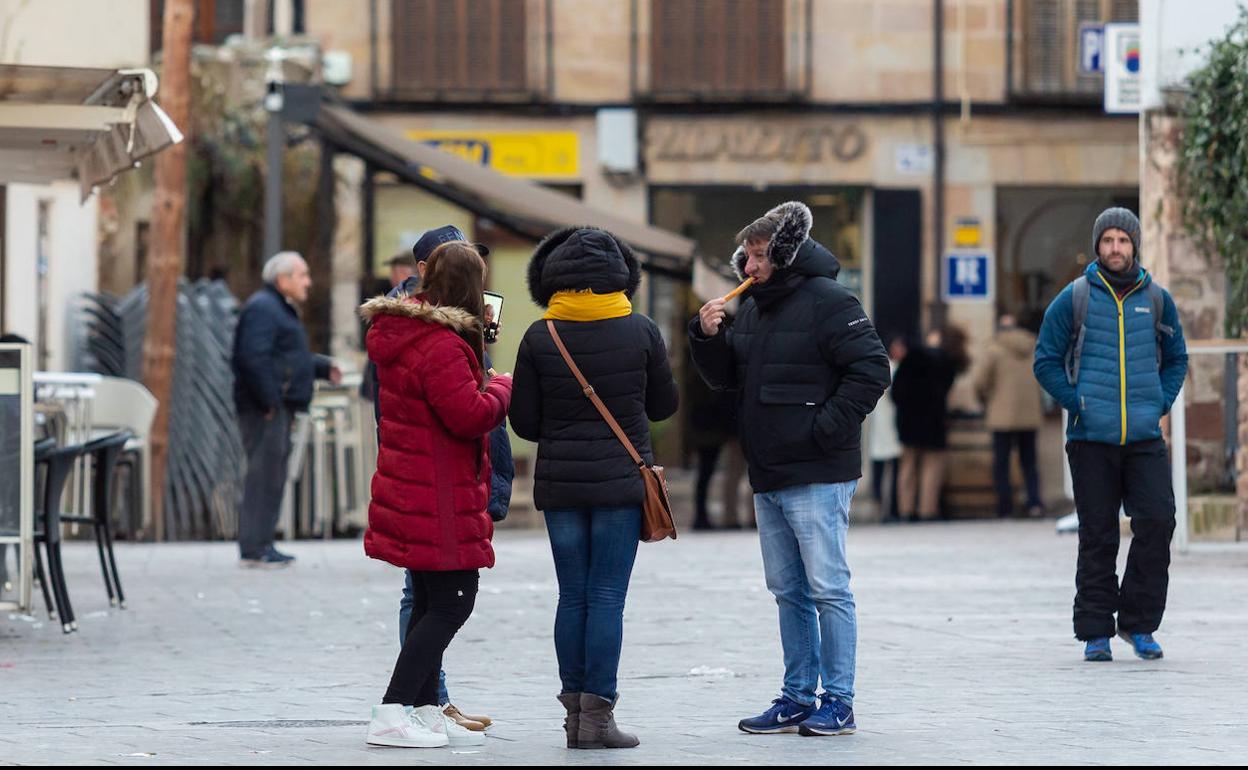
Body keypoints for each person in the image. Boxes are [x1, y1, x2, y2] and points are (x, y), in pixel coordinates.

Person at [689, 201, 889, 737]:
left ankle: (839, 700)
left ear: (782, 252)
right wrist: (706, 339)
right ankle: (798, 696)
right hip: (769, 470)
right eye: (746, 257)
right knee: (788, 590)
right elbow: (729, 378)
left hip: (819, 471)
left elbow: (872, 369)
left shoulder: (830, 300)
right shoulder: (753, 307)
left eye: (758, 256)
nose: (748, 267)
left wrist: (825, 428)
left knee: (828, 588)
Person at [509, 226, 679, 750]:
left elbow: (525, 423)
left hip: (561, 485)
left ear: (551, 278)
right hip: (620, 486)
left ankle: (571, 718)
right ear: (621, 277)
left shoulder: (541, 335)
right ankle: (597, 720)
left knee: (573, 596)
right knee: (607, 597)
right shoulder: (642, 330)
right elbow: (663, 408)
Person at [359, 242, 512, 749]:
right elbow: (468, 415)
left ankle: (422, 709)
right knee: (453, 602)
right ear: (471, 288)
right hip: (438, 491)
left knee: (428, 600)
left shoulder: (406, 331)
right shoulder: (441, 344)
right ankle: (391, 709)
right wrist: (501, 387)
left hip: (415, 484)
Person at [1033, 207, 1187, 663]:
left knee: (1158, 523)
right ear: (1097, 246)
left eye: (1123, 241)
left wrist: (1159, 402)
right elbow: (1045, 360)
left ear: (1134, 245)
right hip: (1090, 440)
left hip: (1143, 437)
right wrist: (1077, 401)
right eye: (1108, 241)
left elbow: (1177, 357)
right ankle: (1096, 631)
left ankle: (1139, 625)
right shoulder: (1074, 298)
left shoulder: (1156, 299)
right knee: (1098, 535)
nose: (1115, 249)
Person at [232, 252, 340, 568]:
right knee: (263, 476)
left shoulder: (277, 309)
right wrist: (269, 401)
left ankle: (263, 543)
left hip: (275, 405)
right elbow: (252, 358)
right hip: (265, 408)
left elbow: (287, 357)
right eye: (302, 275)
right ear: (283, 280)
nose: (308, 282)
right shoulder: (264, 308)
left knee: (273, 475)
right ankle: (254, 547)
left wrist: (321, 368)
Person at [890, 326, 969, 522]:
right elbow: (946, 389)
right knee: (932, 468)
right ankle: (927, 510)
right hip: (934, 420)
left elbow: (896, 392)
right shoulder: (947, 361)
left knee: (907, 467)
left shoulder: (911, 358)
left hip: (909, 420)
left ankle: (906, 510)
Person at [974, 313, 1045, 518]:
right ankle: (1034, 503)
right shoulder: (1033, 347)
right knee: (1029, 462)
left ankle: (1005, 507)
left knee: (1002, 463)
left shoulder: (994, 350)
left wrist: (985, 399)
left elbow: (980, 382)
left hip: (1001, 415)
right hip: (1029, 413)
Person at [868, 336, 905, 522]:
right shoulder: (892, 368)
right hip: (885, 423)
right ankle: (884, 509)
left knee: (890, 469)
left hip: (888, 424)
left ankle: (890, 509)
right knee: (885, 469)